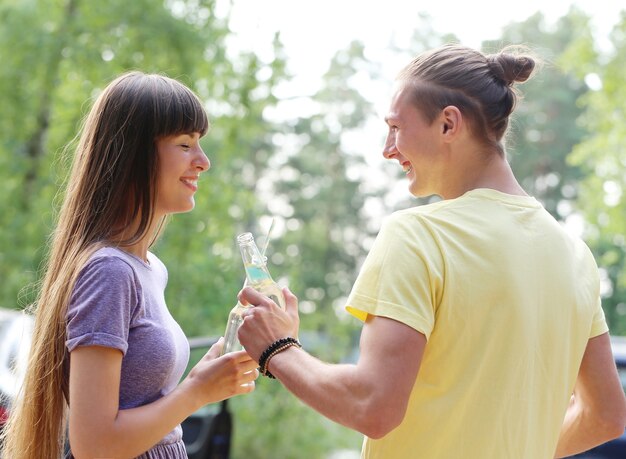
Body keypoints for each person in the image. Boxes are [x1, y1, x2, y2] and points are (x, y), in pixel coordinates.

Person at [237, 44, 626, 458]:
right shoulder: (575, 255)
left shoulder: (417, 235)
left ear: (448, 124)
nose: (388, 149)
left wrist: (278, 348)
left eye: (396, 127)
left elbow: (372, 406)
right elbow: (605, 415)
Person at [0, 72, 258, 459]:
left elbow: (144, 409)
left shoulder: (150, 268)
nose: (203, 162)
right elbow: (95, 445)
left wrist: (208, 375)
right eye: (185, 144)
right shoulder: (109, 272)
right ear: (135, 155)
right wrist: (198, 391)